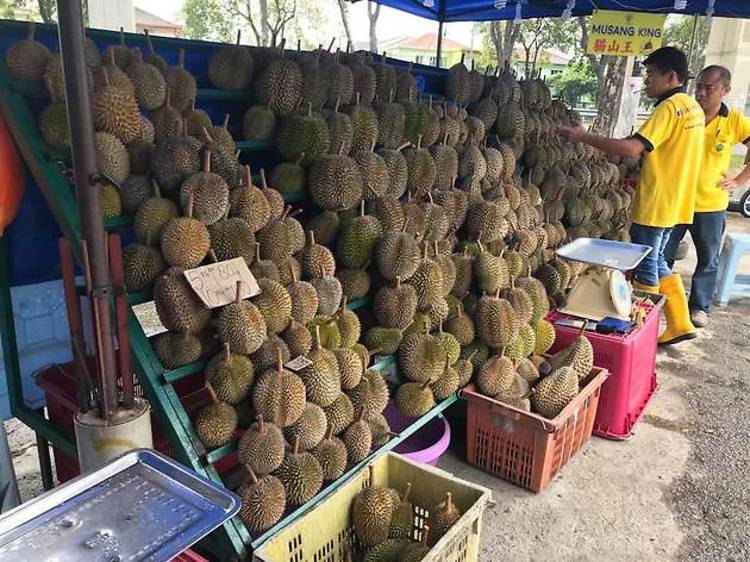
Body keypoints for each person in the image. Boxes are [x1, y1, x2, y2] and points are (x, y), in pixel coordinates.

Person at [558, 46, 705, 345]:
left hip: (658, 199)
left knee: (645, 266)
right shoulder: (693, 107)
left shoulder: (668, 108)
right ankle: (680, 321)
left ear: (671, 76)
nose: (647, 80)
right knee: (658, 258)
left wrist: (583, 137)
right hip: (678, 198)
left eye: (652, 74)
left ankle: (643, 331)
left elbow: (632, 148)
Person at [664, 65, 750, 328]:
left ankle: (699, 307)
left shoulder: (734, 120)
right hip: (676, 199)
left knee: (707, 258)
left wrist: (738, 180)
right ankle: (661, 300)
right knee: (663, 254)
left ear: (725, 91)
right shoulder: (685, 113)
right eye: (698, 86)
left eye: (708, 88)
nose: (700, 92)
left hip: (710, 203)